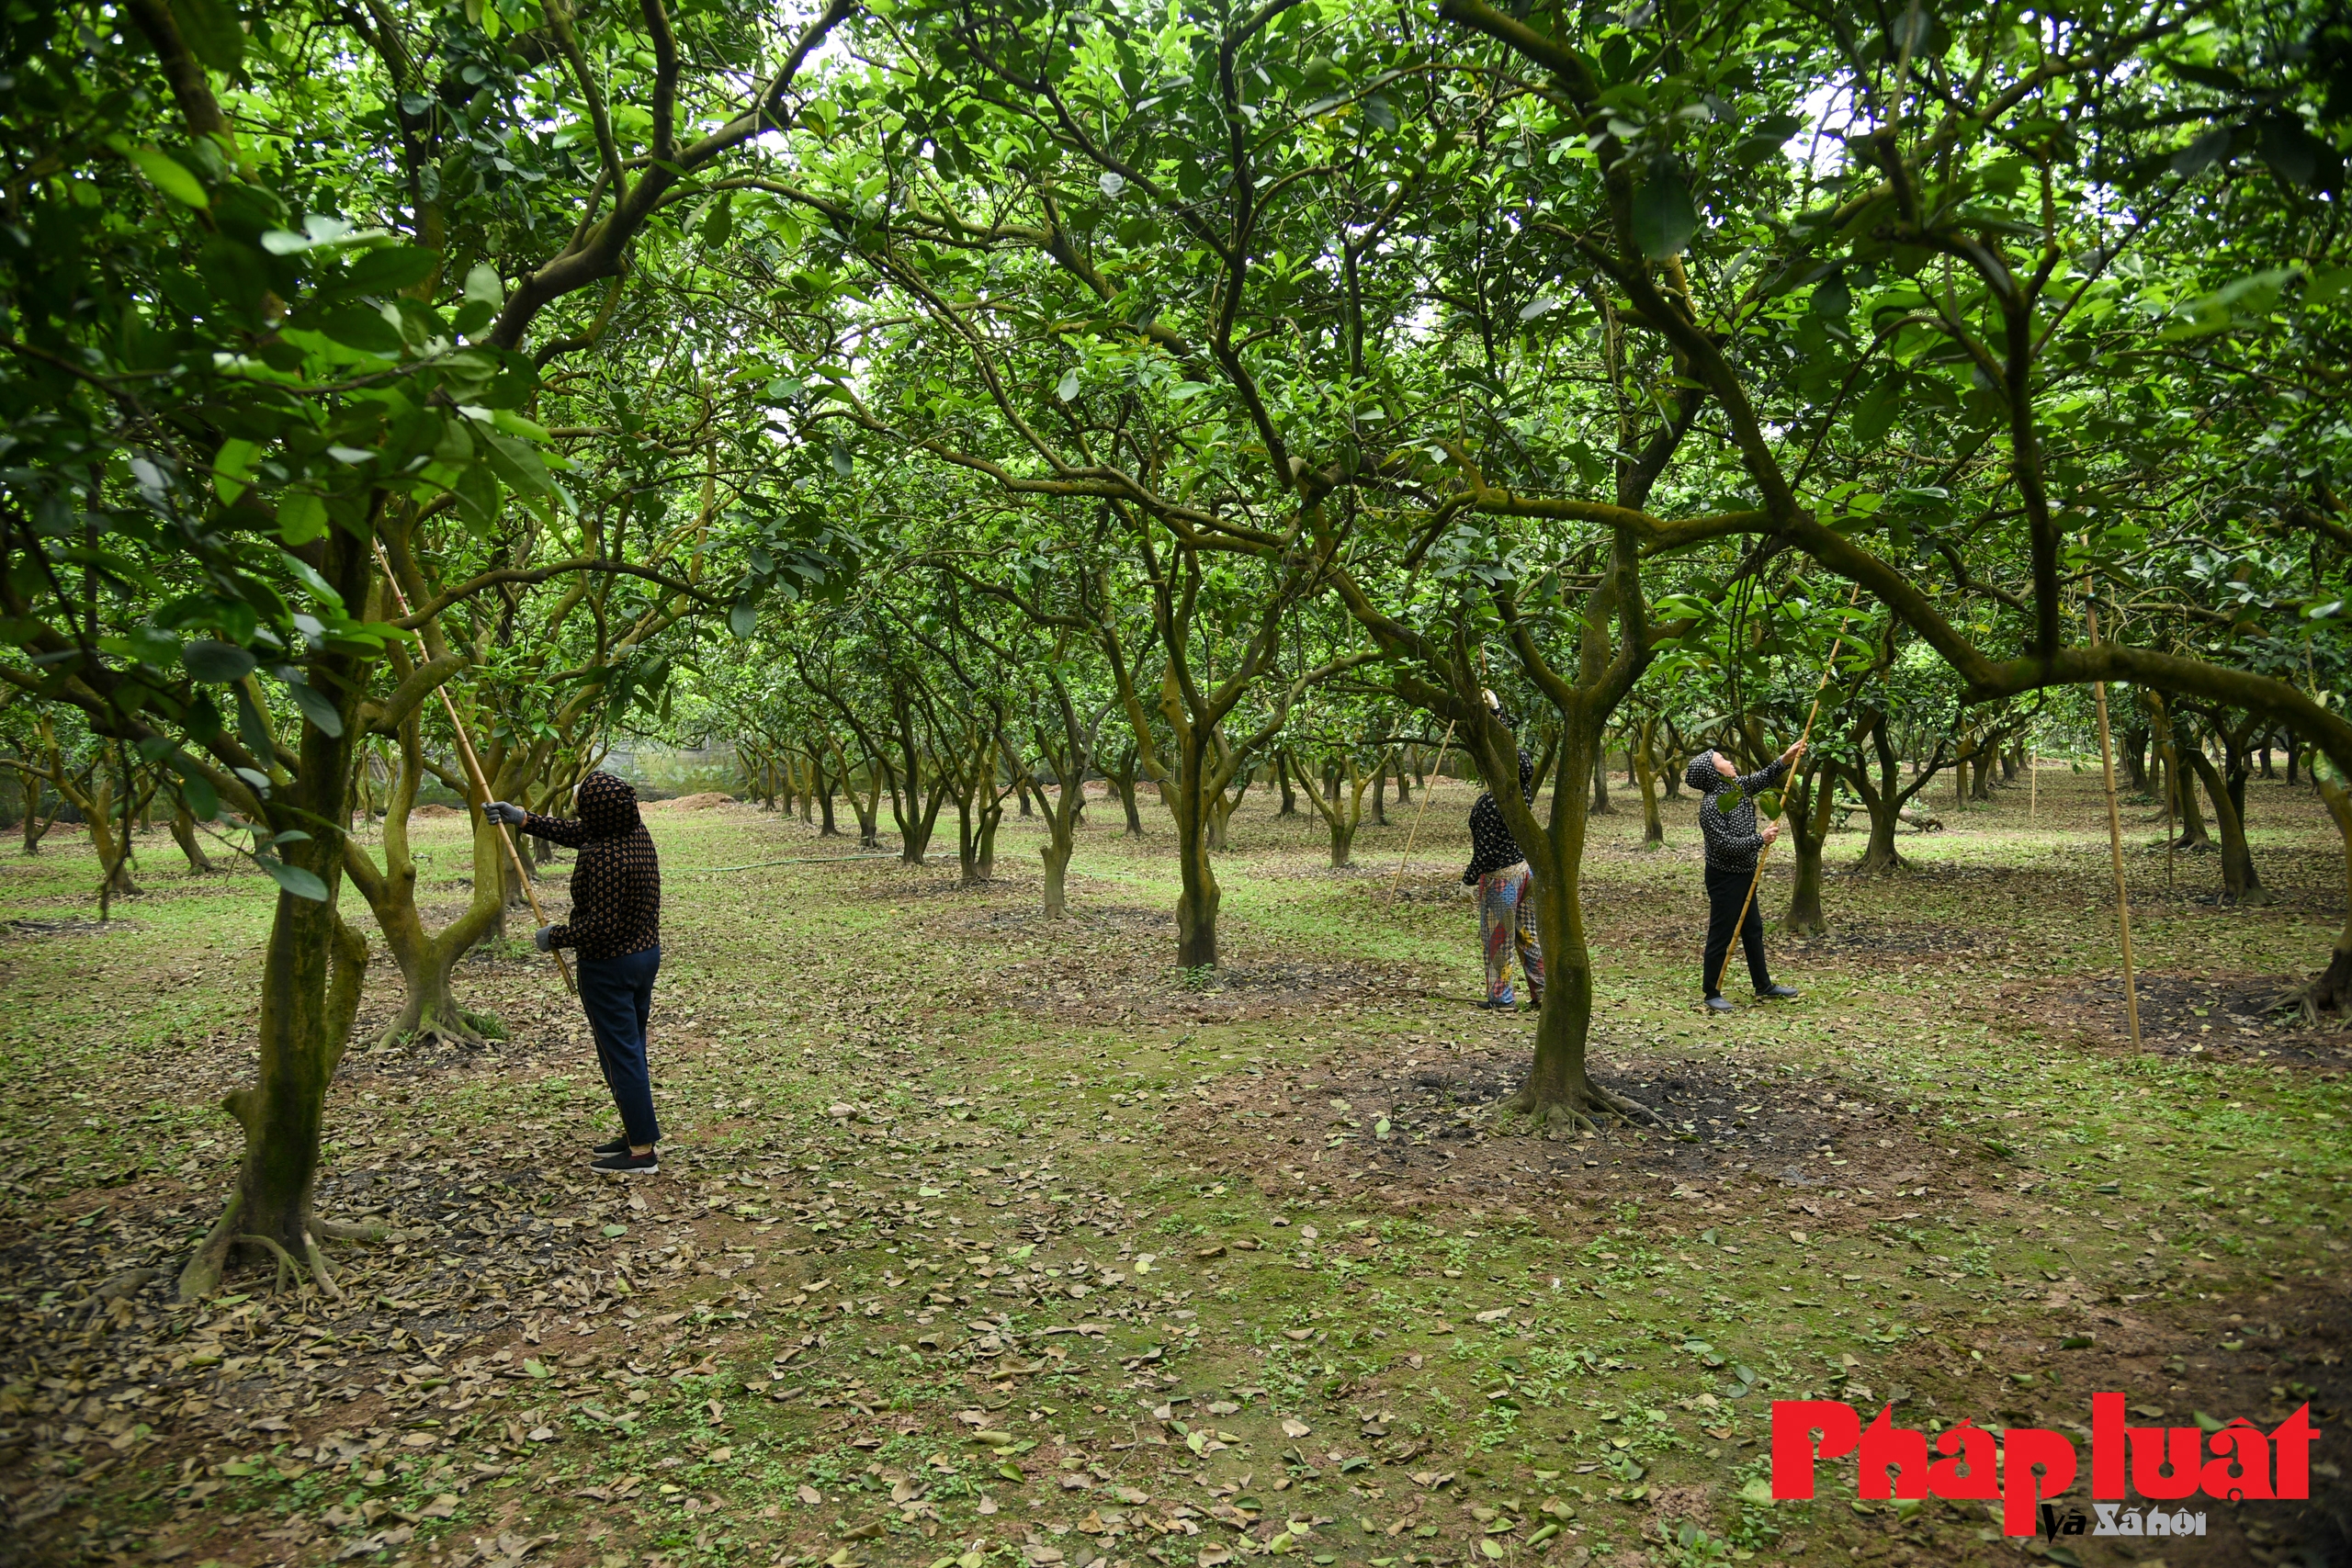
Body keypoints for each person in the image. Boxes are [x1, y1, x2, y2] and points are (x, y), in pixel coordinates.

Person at [486, 773, 663, 1173]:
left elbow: (599, 926)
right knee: (629, 1049)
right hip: (643, 956)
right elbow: (582, 832)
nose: (578, 812)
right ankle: (636, 1130)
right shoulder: (633, 831)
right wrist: (524, 819)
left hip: (609, 965)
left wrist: (556, 936)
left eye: (582, 804)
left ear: (596, 812)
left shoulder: (604, 857)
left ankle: (641, 1152)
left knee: (621, 1056)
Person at [1685, 742, 1806, 1013]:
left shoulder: (1737, 789)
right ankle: (1711, 992)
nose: (1730, 762)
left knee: (1753, 930)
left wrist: (1785, 759)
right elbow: (1723, 845)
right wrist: (1759, 839)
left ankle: (1763, 985)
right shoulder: (1712, 806)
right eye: (1723, 760)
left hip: (1744, 873)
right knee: (1722, 934)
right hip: (1724, 877)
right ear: (1716, 773)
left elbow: (1760, 778)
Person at [1462, 741, 1543, 1011]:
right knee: (1528, 935)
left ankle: (1502, 999)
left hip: (1502, 879)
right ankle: (1544, 993)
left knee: (1498, 940)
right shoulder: (1523, 794)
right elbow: (1509, 750)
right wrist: (1495, 711)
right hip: (1526, 873)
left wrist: (1468, 879)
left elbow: (1485, 853)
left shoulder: (1489, 803)